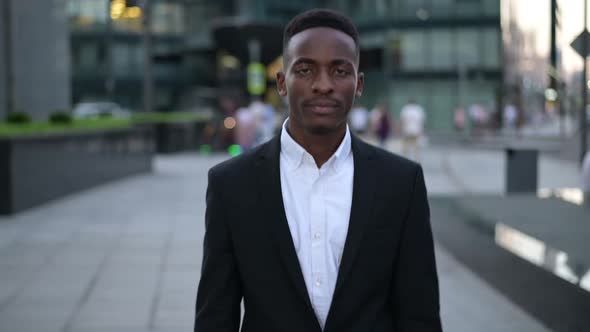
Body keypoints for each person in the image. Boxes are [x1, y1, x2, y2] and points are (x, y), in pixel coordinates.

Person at [194, 9, 442, 332]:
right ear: (282, 83)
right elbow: (215, 317)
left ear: (359, 84)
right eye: (305, 69)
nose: (323, 85)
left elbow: (419, 315)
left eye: (340, 70)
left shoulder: (401, 183)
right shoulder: (231, 185)